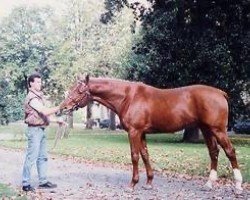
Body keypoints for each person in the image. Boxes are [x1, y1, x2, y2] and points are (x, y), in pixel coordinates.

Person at [22, 73, 66, 192]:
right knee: (31, 157)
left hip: (41, 129)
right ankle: (25, 183)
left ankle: (43, 181)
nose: (40, 84)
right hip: (34, 131)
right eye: (37, 82)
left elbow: (42, 116)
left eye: (40, 82)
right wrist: (60, 107)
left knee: (42, 157)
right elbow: (44, 111)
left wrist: (57, 120)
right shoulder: (32, 98)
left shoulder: (39, 97)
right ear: (31, 83)